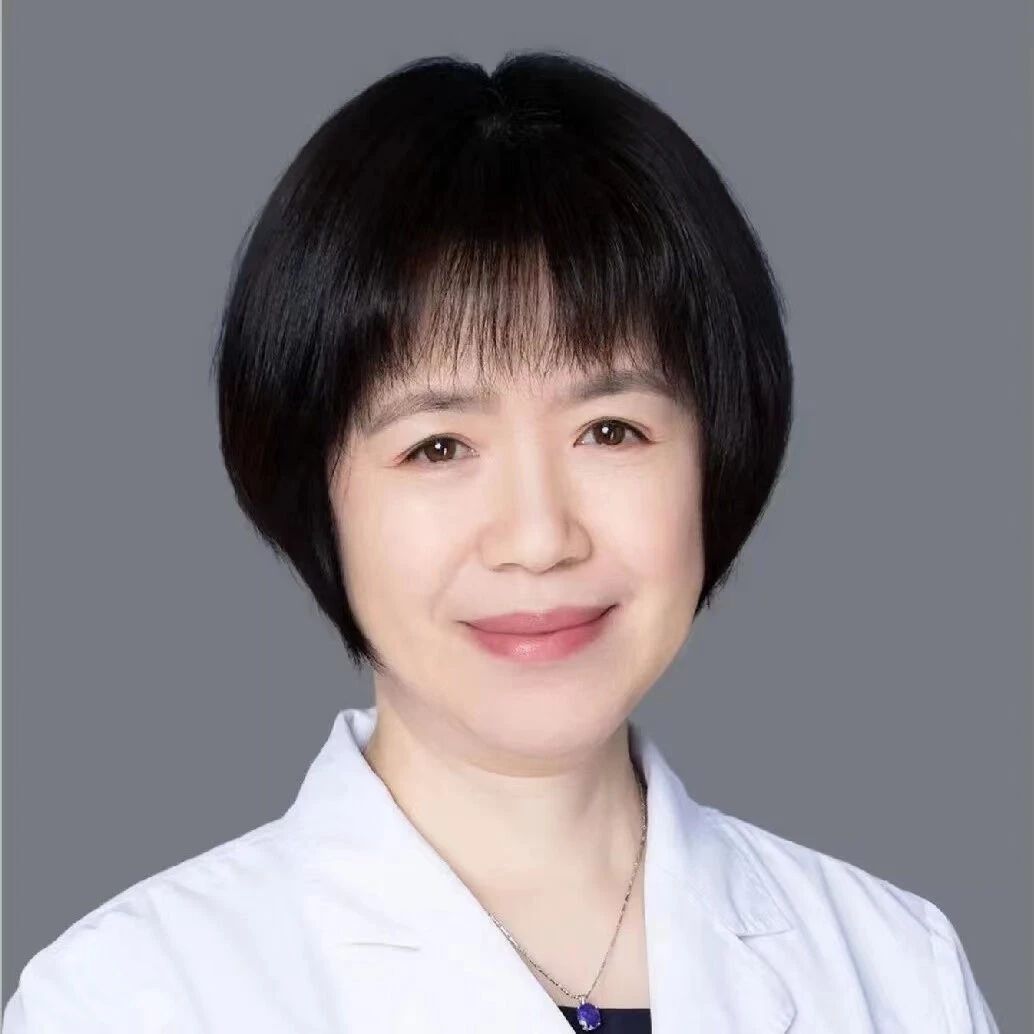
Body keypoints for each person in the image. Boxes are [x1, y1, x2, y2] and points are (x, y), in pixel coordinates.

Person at [3, 51, 999, 1034]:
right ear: (314, 489)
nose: (538, 537)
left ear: (719, 451)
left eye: (610, 430)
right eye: (437, 446)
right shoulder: (129, 998)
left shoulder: (893, 971)